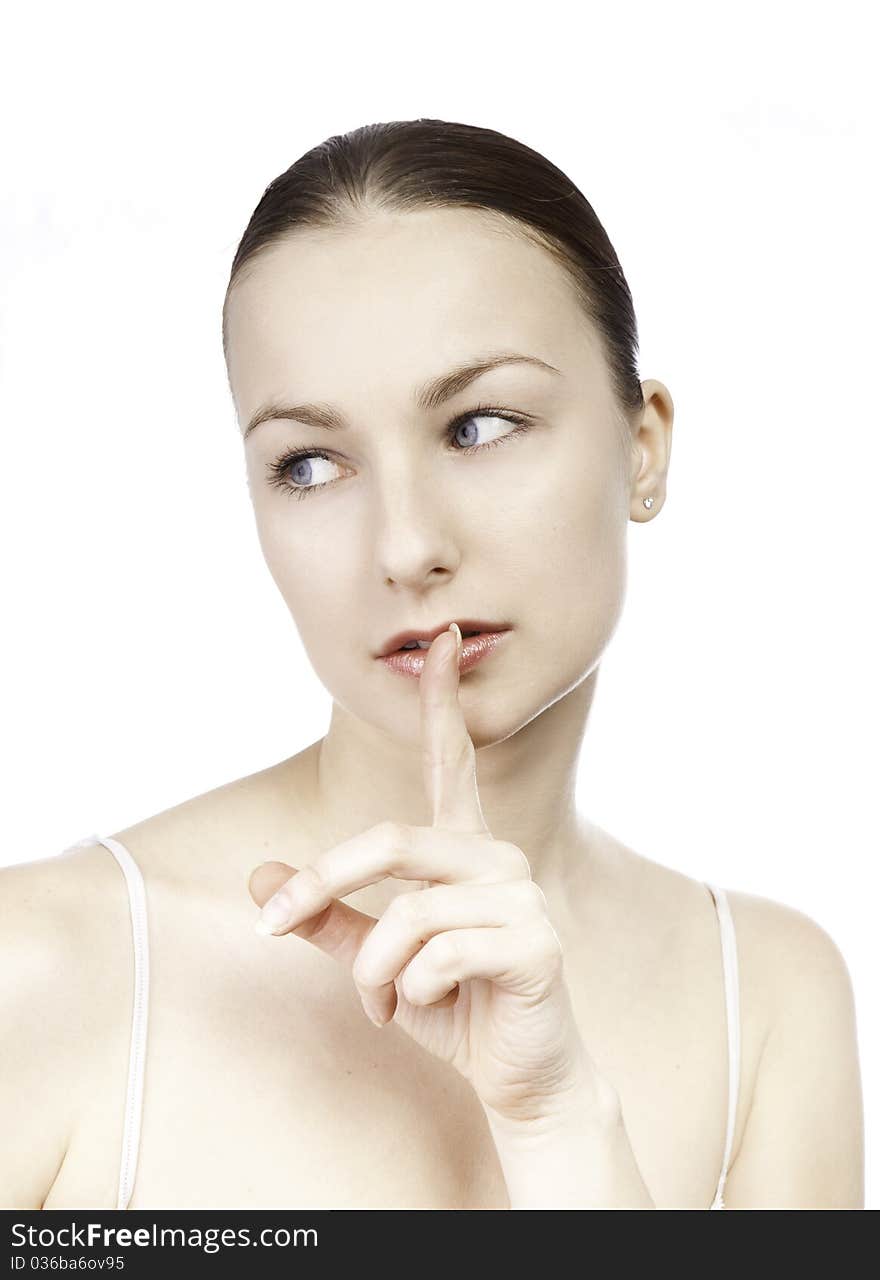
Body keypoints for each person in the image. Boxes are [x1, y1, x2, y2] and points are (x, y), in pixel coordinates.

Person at [1, 118, 864, 1211]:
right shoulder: (45, 967)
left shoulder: (770, 998)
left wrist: (559, 1121)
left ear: (642, 446)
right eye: (309, 463)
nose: (406, 545)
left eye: (478, 425)